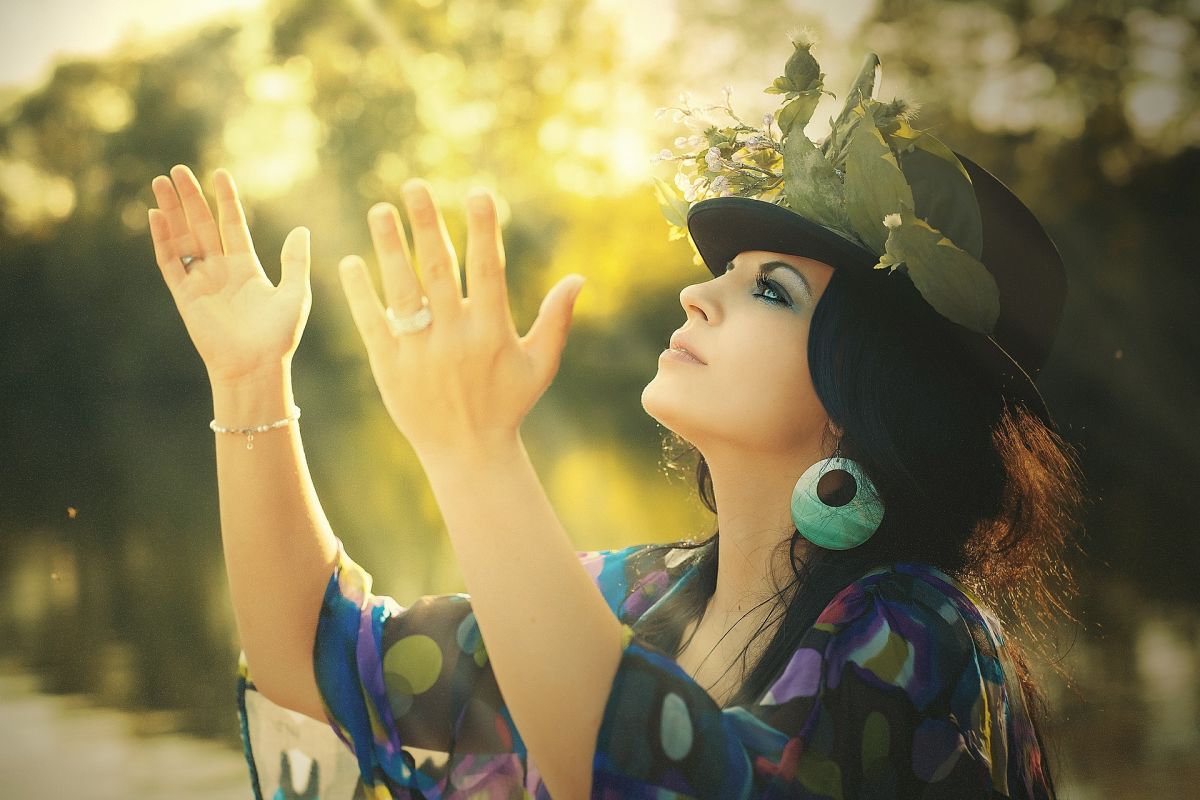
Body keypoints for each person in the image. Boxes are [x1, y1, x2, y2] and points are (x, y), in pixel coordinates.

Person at [146, 37, 1084, 800]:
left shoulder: (926, 644)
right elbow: (322, 673)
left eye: (772, 288)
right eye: (723, 271)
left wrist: (475, 453)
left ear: (869, 390)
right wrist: (249, 380)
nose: (699, 294)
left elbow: (661, 776)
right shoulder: (625, 597)